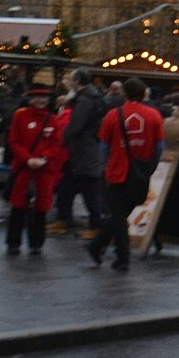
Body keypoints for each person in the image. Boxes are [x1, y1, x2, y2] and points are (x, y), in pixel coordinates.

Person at [91, 79, 163, 270]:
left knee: (117, 214)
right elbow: (159, 147)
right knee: (121, 213)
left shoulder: (112, 115)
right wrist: (150, 167)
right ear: (144, 93)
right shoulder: (154, 115)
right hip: (140, 172)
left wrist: (106, 166)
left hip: (117, 171)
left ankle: (121, 256)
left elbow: (104, 146)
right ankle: (97, 246)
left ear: (124, 93)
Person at [4, 72, 66, 256]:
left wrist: (44, 158)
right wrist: (27, 159)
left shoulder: (52, 119)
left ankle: (36, 243)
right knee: (18, 207)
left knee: (41, 208)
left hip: (44, 171)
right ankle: (13, 242)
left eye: (44, 97)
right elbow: (14, 141)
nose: (41, 100)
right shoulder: (20, 116)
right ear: (30, 99)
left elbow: (57, 144)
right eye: (37, 97)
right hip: (24, 169)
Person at [51, 69, 107, 239]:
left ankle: (96, 225)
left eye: (70, 79)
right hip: (85, 149)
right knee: (67, 186)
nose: (68, 82)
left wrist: (62, 139)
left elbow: (76, 125)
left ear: (77, 81)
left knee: (89, 189)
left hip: (83, 150)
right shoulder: (93, 96)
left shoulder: (84, 100)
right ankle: (63, 218)